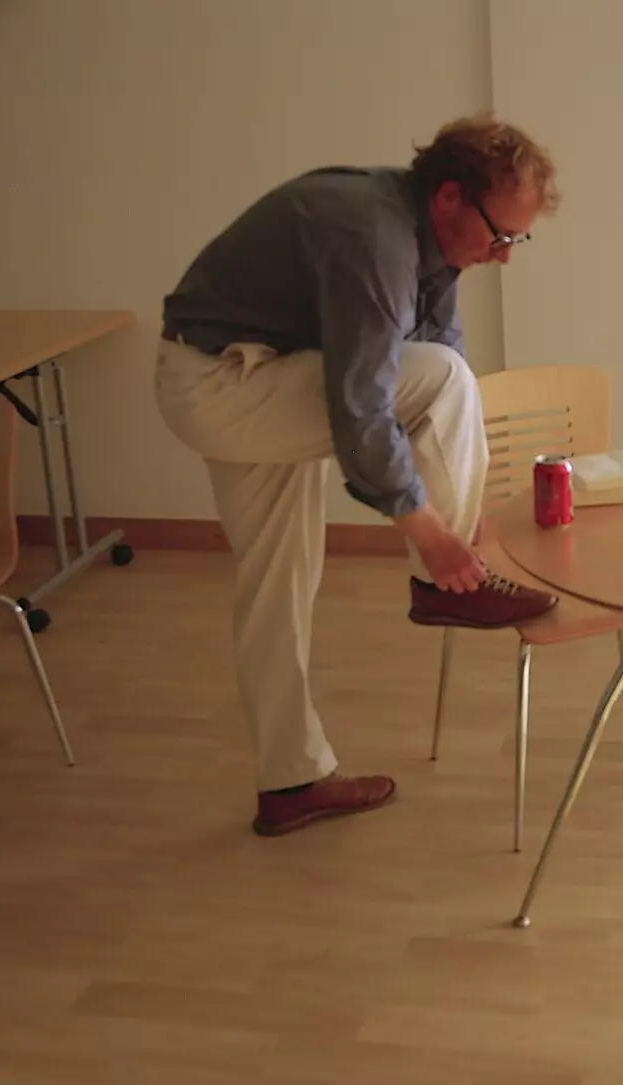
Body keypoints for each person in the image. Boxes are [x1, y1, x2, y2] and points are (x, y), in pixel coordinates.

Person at [155, 115, 558, 837]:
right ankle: (444, 584)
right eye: (501, 234)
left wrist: (467, 505)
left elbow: (436, 343)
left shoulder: (424, 235)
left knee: (277, 583)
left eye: (517, 240)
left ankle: (290, 782)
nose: (505, 255)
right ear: (449, 197)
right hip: (223, 382)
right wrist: (439, 534)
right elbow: (365, 406)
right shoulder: (373, 237)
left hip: (243, 374)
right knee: (439, 381)